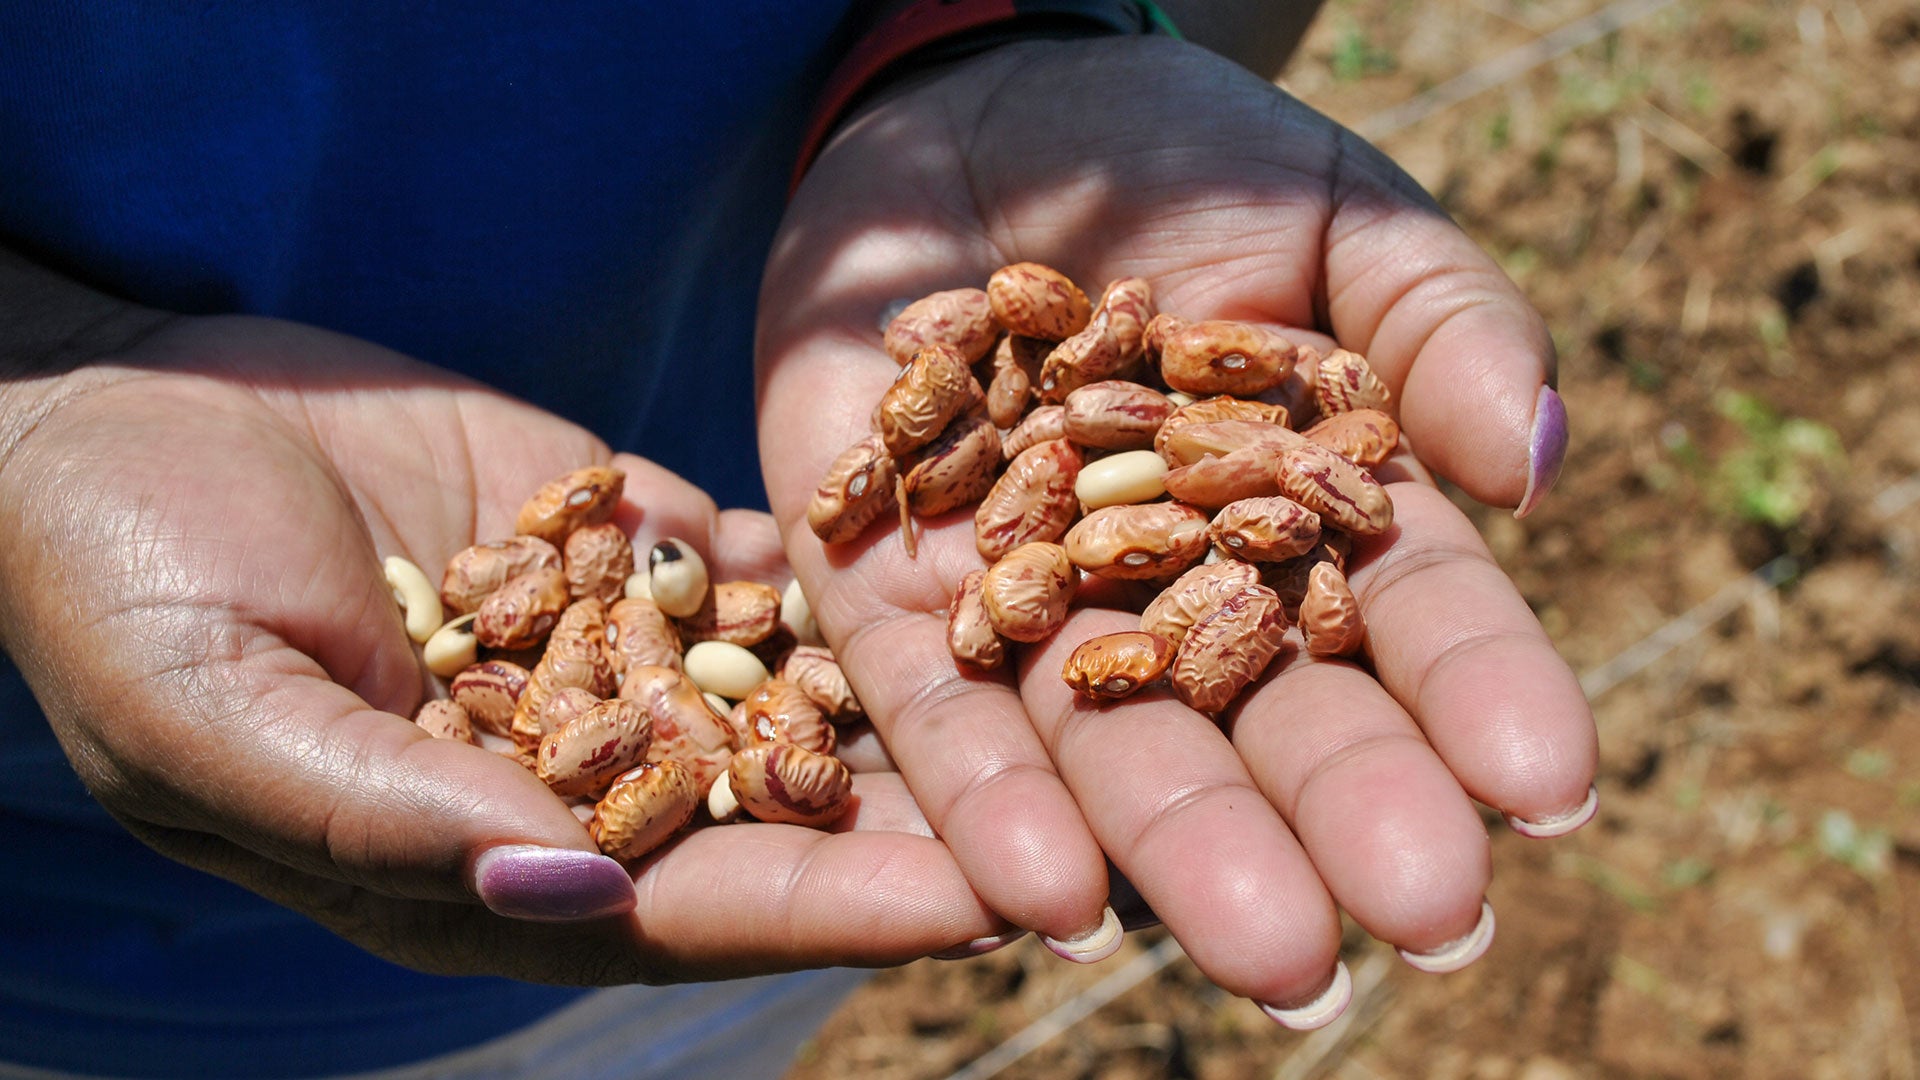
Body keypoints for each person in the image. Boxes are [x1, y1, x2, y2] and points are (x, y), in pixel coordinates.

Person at [0, 1, 1597, 1075]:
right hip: (77, 943)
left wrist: (1013, 22)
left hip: (837, 742)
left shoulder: (968, 532)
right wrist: (31, 421)